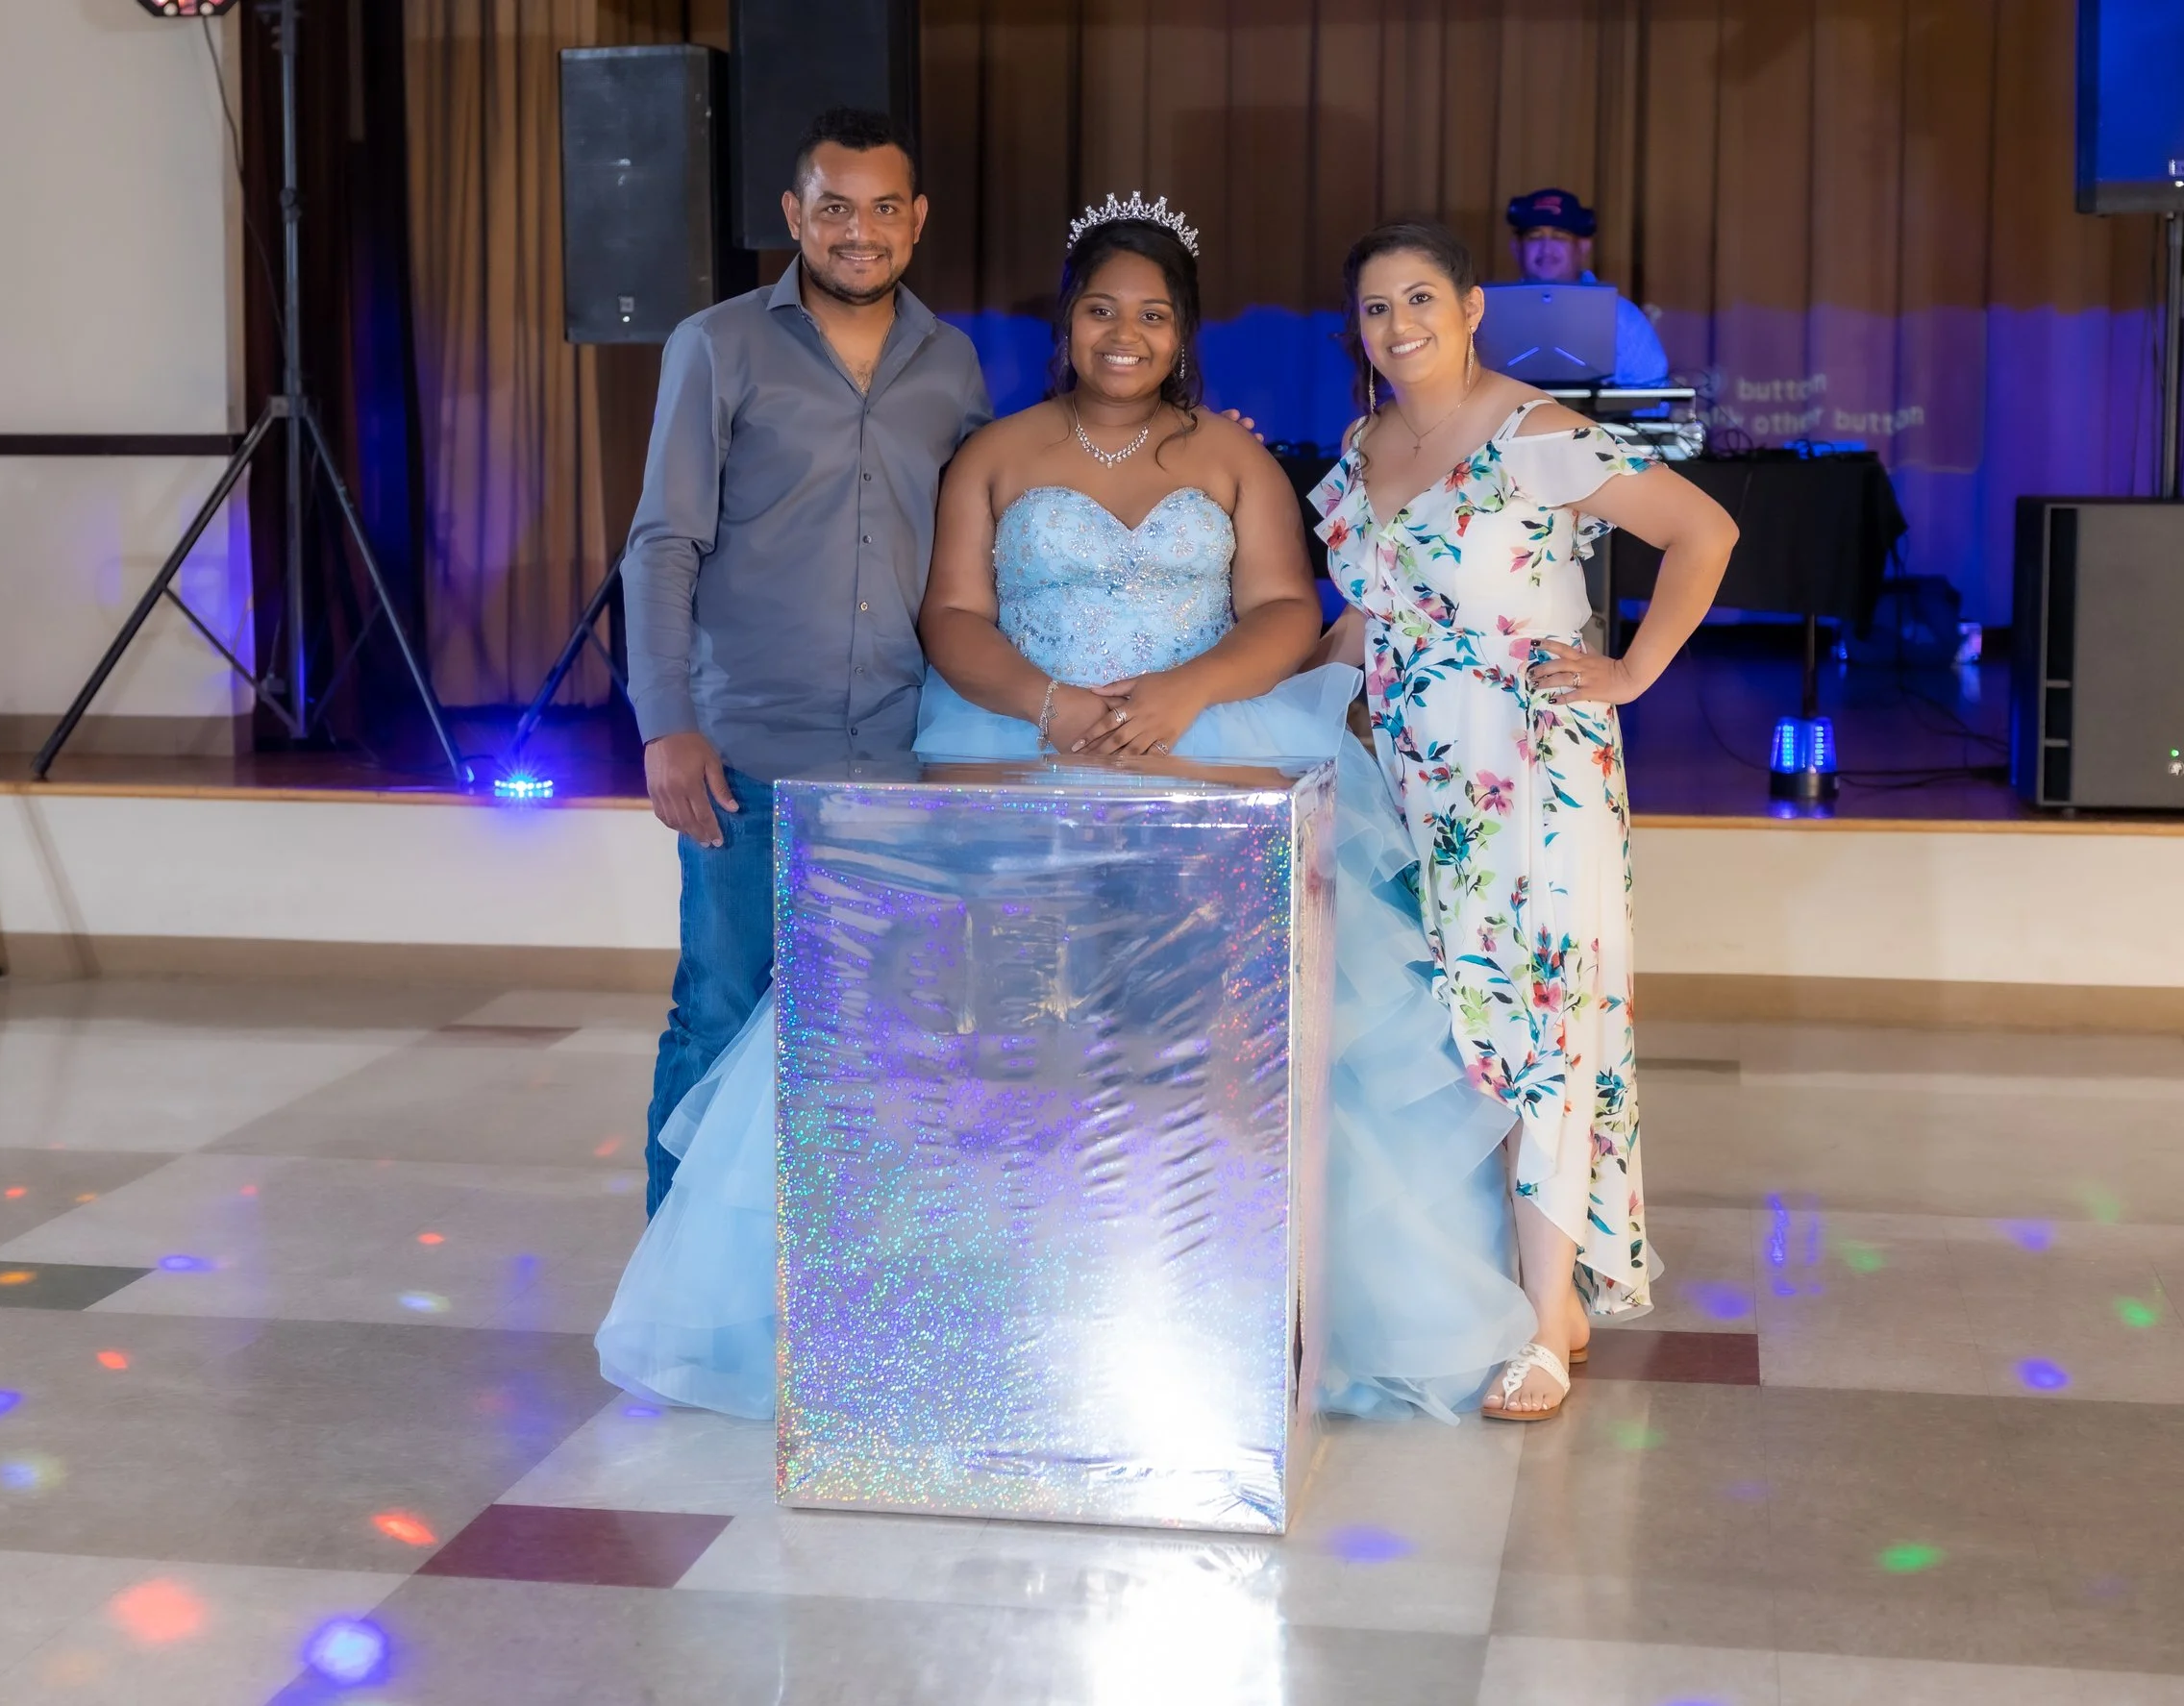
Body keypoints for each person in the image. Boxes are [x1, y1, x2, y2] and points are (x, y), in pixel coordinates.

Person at [598, 193, 1540, 1425]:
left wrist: (1185, 693)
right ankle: (985, 1310)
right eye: (1100, 309)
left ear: (1182, 332)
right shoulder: (995, 451)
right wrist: (1047, 705)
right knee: (1001, 1056)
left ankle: (1210, 1301)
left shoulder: (1231, 457)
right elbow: (951, 614)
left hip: (1200, 759)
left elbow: (1282, 610)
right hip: (1016, 752)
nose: (1123, 334)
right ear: (1067, 324)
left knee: (1200, 1058)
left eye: (1150, 314)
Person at [1312, 219, 1736, 1419]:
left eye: (1420, 299)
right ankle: (1540, 1292)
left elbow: (1703, 531)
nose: (1399, 325)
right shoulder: (1365, 444)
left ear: (1472, 307)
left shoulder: (1532, 431)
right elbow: (1368, 617)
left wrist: (1633, 671)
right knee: (1459, 1029)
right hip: (1412, 779)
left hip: (1530, 772)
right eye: (1376, 307)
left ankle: (1547, 1321)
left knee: (1537, 1022)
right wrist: (1289, 707)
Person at [620, 108, 991, 1219]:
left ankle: (836, 1262)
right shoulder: (715, 344)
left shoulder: (952, 361)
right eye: (834, 208)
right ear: (794, 215)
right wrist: (665, 720)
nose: (858, 231)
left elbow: (985, 534)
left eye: (883, 209)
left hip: (901, 750)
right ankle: (678, 1269)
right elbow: (663, 542)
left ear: (916, 221)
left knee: (884, 1032)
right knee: (719, 1011)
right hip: (746, 750)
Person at [1494, 187, 1669, 388]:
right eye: (1534, 237)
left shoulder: (1622, 317)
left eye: (1559, 236)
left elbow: (1653, 398)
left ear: (1583, 247)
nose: (1546, 249)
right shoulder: (1490, 315)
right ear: (1516, 248)